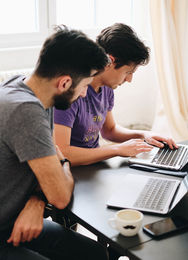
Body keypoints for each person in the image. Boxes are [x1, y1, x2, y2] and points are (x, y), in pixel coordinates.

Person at [0, 25, 109, 260]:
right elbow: (59, 196)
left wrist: (36, 201)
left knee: (96, 254)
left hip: (13, 219)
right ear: (65, 83)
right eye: (84, 86)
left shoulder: (27, 89)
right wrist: (65, 162)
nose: (83, 94)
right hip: (5, 231)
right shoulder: (25, 111)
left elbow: (45, 166)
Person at [54, 23, 177, 166]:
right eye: (128, 72)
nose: (129, 79)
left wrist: (143, 135)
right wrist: (117, 149)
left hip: (94, 166)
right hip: (72, 171)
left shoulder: (106, 89)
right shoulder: (72, 92)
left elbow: (109, 130)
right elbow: (62, 153)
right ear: (110, 62)